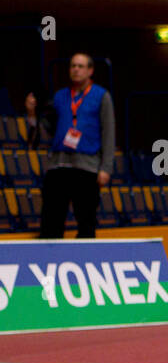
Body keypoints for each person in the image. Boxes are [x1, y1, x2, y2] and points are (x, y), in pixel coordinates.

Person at [39, 53, 113, 239]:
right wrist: (33, 115)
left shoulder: (101, 96)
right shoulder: (60, 96)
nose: (76, 70)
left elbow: (109, 132)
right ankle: (49, 261)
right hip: (59, 165)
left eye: (80, 66)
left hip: (86, 167)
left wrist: (106, 167)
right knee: (51, 220)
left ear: (90, 70)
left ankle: (84, 262)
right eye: (73, 66)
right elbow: (49, 129)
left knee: (86, 221)